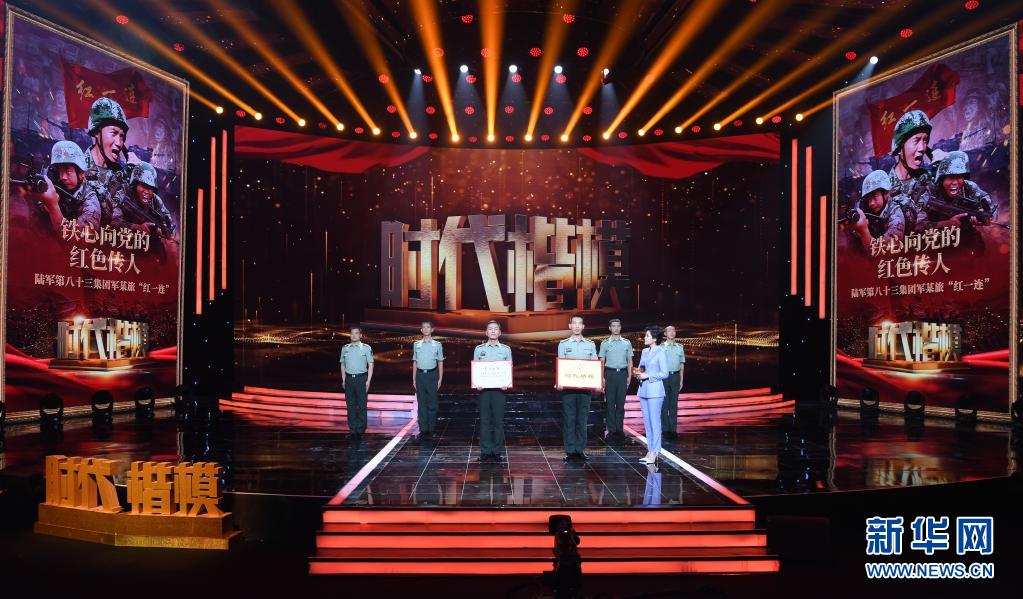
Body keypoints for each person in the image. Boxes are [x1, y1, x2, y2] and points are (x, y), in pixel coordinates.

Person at [919, 151, 997, 255]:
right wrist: (943, 224)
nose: (955, 182)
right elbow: (917, 226)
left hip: (964, 235)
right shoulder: (929, 191)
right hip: (935, 238)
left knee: (979, 250)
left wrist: (986, 217)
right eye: (950, 177)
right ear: (942, 178)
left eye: (959, 177)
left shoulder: (969, 187)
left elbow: (991, 210)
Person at [26, 140, 103, 232]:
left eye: (68, 171)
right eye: (59, 171)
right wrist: (44, 205)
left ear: (81, 173)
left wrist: (53, 207)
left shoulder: (91, 204)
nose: (63, 177)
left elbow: (75, 238)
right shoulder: (59, 186)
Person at [557, 315, 598, 461]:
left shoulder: (590, 345)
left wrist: (596, 382)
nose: (577, 326)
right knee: (569, 419)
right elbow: (561, 365)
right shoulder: (563, 344)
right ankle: (569, 450)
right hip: (568, 389)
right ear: (570, 326)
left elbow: (594, 365)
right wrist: (559, 381)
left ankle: (580, 449)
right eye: (574, 323)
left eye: (580, 323)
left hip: (585, 389)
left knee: (582, 419)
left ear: (583, 326)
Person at [887, 109, 933, 233]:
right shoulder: (884, 189)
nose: (922, 148)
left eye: (925, 140)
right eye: (916, 140)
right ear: (899, 149)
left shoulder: (929, 179)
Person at [84, 97, 131, 214]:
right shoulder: (77, 169)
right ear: (96, 132)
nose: (119, 143)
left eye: (122, 136)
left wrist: (135, 172)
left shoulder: (122, 176)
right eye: (114, 133)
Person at [473, 320, 512, 462]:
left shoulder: (506, 349)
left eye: (496, 329)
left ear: (500, 332)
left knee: (497, 421)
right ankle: (485, 451)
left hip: (499, 392)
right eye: (490, 329)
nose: (493, 331)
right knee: (484, 421)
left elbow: (509, 369)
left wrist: (506, 383)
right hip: (484, 391)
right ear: (486, 332)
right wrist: (476, 382)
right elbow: (476, 369)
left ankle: (496, 451)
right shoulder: (479, 349)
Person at [634, 325, 668, 464]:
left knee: (655, 423)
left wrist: (648, 375)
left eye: (647, 336)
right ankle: (650, 450)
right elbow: (642, 368)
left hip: (655, 391)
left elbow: (664, 373)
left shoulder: (661, 352)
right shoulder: (644, 351)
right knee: (647, 423)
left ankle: (655, 451)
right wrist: (638, 373)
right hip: (643, 390)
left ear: (654, 338)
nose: (645, 338)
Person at [850, 170, 905, 253]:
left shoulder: (896, 216)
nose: (871, 203)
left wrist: (864, 231)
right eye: (868, 199)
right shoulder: (873, 211)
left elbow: (884, 252)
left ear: (886, 194)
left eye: (875, 196)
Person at [598, 318, 633, 440]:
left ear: (620, 327)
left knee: (620, 404)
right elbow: (601, 361)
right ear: (610, 328)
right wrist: (602, 377)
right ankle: (611, 430)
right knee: (610, 404)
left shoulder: (627, 343)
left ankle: (619, 429)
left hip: (622, 374)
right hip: (610, 374)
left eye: (618, 326)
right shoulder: (604, 343)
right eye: (613, 326)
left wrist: (629, 376)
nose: (616, 328)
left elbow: (630, 361)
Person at [412, 320, 444, 438]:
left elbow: (440, 362)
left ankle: (431, 430)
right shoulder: (416, 344)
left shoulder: (437, 345)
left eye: (428, 327)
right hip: (420, 376)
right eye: (423, 327)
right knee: (422, 404)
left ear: (432, 330)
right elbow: (415, 362)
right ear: (421, 330)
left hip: (432, 375)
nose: (426, 329)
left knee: (432, 404)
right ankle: (423, 430)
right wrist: (414, 378)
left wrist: (440, 378)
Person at [339, 326, 373, 436]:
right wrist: (344, 379)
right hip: (349, 379)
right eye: (352, 333)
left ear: (360, 335)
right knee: (350, 405)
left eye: (356, 333)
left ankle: (361, 430)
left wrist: (368, 380)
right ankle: (353, 429)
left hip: (361, 379)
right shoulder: (345, 348)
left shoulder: (366, 348)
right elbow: (342, 364)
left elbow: (371, 364)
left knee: (362, 405)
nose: (354, 335)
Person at [661, 325, 686, 439]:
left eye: (673, 330)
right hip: (664, 377)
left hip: (675, 377)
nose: (672, 332)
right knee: (664, 404)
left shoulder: (679, 347)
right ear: (665, 334)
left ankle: (673, 429)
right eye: (669, 331)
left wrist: (681, 380)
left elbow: (682, 365)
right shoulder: (661, 347)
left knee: (673, 404)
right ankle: (665, 429)